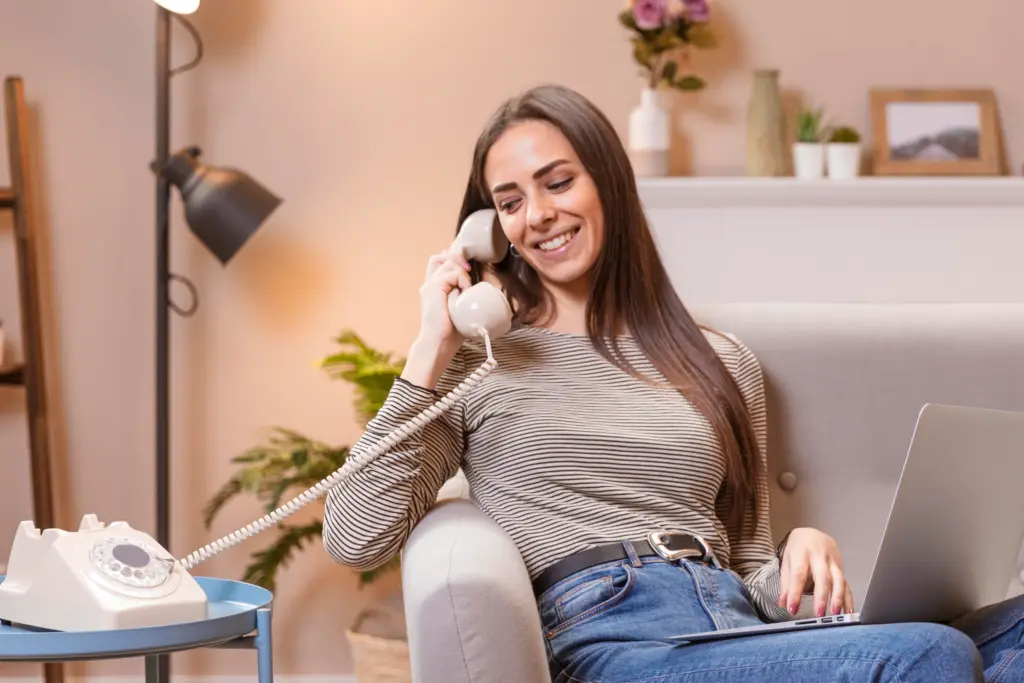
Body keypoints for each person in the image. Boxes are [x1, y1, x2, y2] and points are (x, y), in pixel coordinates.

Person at [322, 83, 1024, 682]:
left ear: (609, 183)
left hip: (734, 625)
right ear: (490, 229)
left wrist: (802, 553)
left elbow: (748, 561)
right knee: (930, 653)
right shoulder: (476, 361)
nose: (536, 214)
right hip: (614, 636)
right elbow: (355, 536)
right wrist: (429, 342)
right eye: (509, 201)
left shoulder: (720, 359)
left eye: (558, 182)